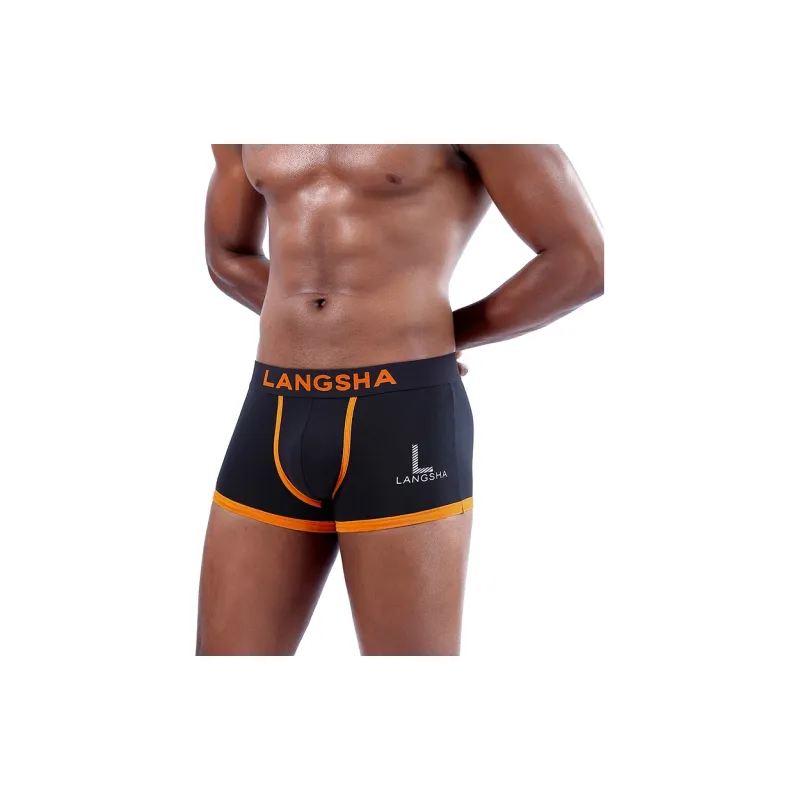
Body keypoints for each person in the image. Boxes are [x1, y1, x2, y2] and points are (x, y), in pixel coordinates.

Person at [196, 144, 603, 656]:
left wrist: (438, 335)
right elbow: (227, 255)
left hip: (401, 414)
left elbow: (584, 260)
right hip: (274, 407)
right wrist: (323, 323)